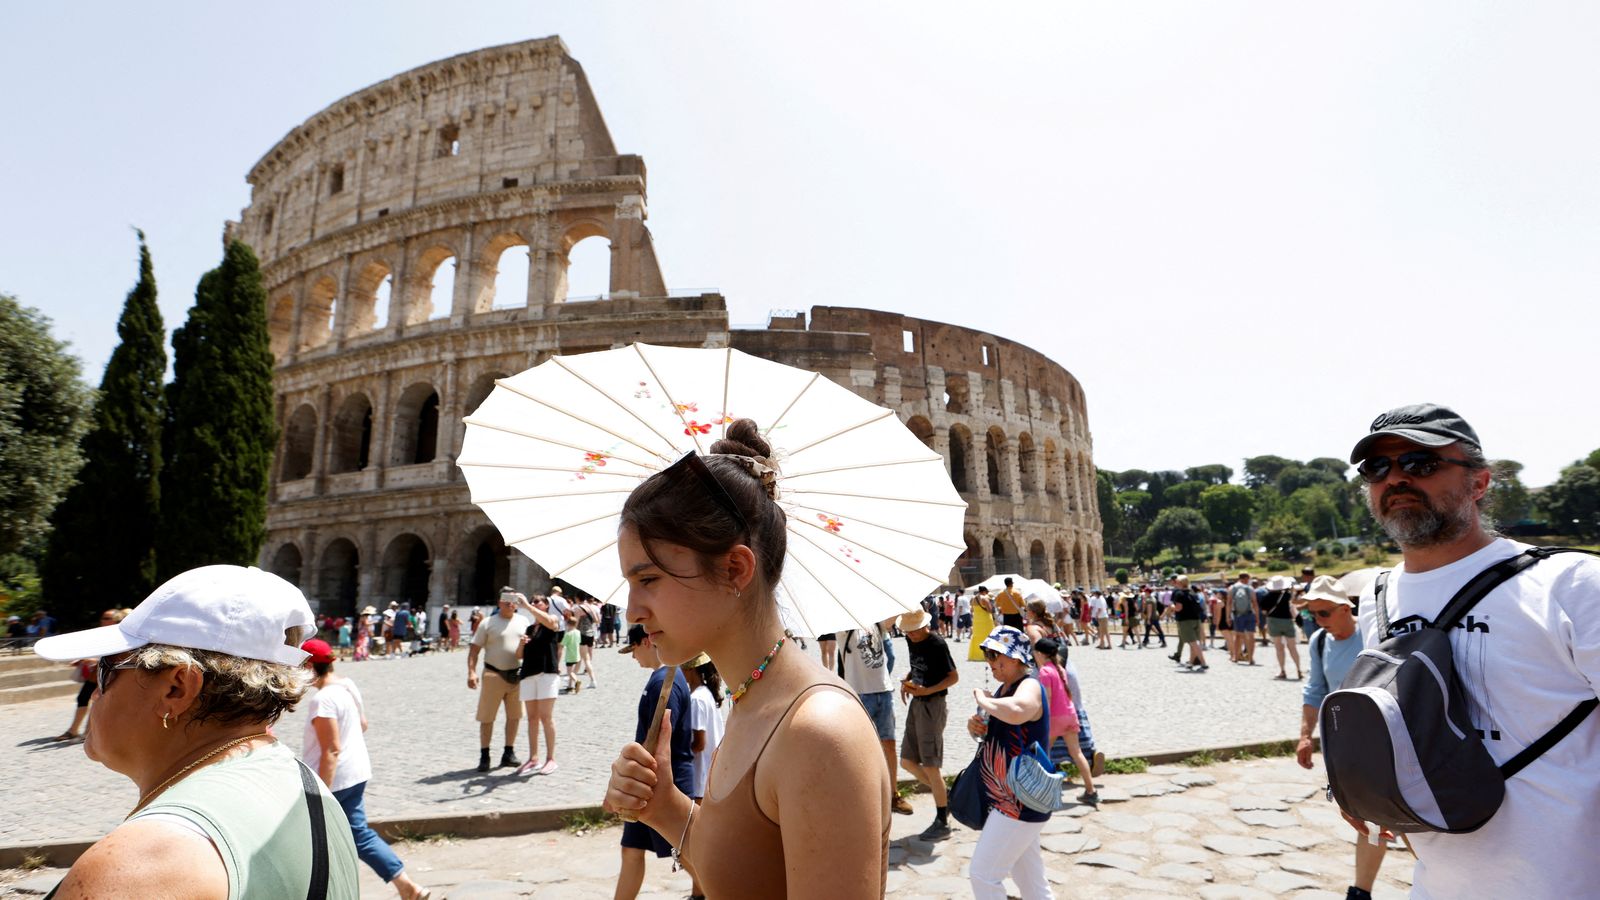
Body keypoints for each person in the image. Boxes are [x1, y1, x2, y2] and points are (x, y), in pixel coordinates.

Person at [602, 419, 891, 898]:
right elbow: (749, 874)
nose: (631, 611)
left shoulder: (817, 734)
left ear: (734, 568)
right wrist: (665, 808)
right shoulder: (751, 699)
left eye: (648, 579)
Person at [1345, 402, 1600, 898]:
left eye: (1421, 463)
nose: (1396, 477)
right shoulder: (1378, 599)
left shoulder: (1571, 586)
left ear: (1479, 483)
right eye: (1378, 467)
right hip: (1438, 884)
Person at [31, 565, 360, 897]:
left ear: (176, 687)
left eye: (106, 669)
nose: (96, 691)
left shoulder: (141, 865)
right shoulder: (308, 787)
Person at [298, 639, 430, 899]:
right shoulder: (347, 686)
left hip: (336, 779)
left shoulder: (323, 700)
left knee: (325, 837)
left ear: (311, 666)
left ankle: (404, 886)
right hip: (357, 772)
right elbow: (363, 724)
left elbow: (331, 749)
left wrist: (319, 792)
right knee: (355, 834)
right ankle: (405, 886)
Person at [1293, 576, 1388, 900]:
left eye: (1323, 613)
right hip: (1347, 746)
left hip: (1386, 742)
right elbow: (1315, 690)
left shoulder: (1374, 633)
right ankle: (1361, 892)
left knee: (1404, 817)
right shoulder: (1319, 642)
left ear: (1346, 608)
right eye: (1312, 615)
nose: (1317, 621)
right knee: (1368, 817)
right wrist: (1306, 736)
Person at [965, 626, 1053, 900]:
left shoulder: (1029, 685)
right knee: (1031, 881)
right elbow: (998, 730)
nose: (991, 663)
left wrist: (983, 700)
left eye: (996, 656)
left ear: (1016, 658)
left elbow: (1018, 711)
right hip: (1011, 794)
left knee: (983, 875)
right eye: (989, 656)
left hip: (1020, 797)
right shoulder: (1004, 689)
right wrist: (976, 726)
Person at [614, 625, 694, 900]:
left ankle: (716, 892)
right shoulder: (661, 679)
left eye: (633, 649)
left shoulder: (665, 682)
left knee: (689, 855)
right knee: (631, 850)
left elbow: (660, 742)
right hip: (644, 782)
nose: (633, 657)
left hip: (660, 784)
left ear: (646, 642)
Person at [836, 616, 913, 815]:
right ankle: (861, 797)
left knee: (889, 744)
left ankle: (893, 795)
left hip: (884, 691)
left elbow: (892, 619)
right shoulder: (845, 627)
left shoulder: (876, 622)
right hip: (860, 693)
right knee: (860, 748)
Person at [897, 608, 959, 840]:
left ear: (925, 626)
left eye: (914, 631)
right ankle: (947, 795)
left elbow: (953, 677)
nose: (910, 635)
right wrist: (909, 679)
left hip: (933, 705)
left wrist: (927, 689)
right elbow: (919, 666)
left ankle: (942, 821)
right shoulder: (911, 639)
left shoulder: (937, 644)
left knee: (931, 765)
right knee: (907, 761)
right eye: (908, 631)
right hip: (917, 703)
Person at [467, 589, 527, 773]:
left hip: (516, 675)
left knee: (515, 716)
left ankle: (508, 752)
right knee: (487, 717)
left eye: (513, 601)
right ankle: (484, 755)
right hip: (494, 674)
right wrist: (471, 672)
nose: (510, 604)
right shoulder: (487, 623)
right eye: (506, 601)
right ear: (499, 602)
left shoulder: (524, 621)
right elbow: (474, 650)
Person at [1032, 636, 1095, 804]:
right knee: (1077, 753)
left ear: (1039, 654)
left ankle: (1042, 791)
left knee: (1043, 754)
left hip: (1054, 717)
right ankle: (1091, 790)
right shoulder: (1059, 668)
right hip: (1070, 714)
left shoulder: (1045, 671)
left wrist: (1040, 717)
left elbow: (1048, 697)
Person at [513, 592, 566, 776]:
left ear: (546, 605)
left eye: (538, 602)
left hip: (546, 674)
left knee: (546, 717)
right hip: (529, 674)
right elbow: (519, 656)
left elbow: (552, 624)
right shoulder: (529, 629)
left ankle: (551, 758)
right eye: (533, 601)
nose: (535, 603)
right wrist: (521, 644)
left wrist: (527, 606)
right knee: (532, 718)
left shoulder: (552, 620)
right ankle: (533, 757)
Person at [55, 608, 128, 742]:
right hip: (97, 672)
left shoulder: (121, 635)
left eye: (107, 618)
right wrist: (83, 659)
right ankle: (74, 730)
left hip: (109, 673)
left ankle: (87, 732)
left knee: (96, 701)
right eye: (103, 618)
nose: (103, 621)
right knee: (83, 698)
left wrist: (94, 660)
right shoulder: (102, 634)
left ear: (116, 620)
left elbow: (119, 657)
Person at [1261, 575, 1303, 680]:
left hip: (1273, 622)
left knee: (1279, 648)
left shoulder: (1266, 597)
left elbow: (1264, 612)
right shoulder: (1288, 595)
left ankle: (1282, 670)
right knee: (1292, 647)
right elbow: (1292, 609)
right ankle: (1298, 669)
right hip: (1287, 622)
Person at [1169, 575, 1208, 671]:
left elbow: (1178, 608)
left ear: (1180, 583)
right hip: (1196, 619)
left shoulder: (1179, 594)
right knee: (1193, 643)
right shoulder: (1193, 593)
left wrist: (1172, 607)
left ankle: (1203, 662)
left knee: (1193, 643)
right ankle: (1191, 663)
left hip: (1185, 620)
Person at [1228, 572, 1260, 665]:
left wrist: (1228, 616)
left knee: (1238, 636)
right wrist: (1257, 617)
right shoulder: (1250, 588)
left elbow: (1229, 603)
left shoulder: (1232, 588)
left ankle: (1236, 657)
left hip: (1238, 614)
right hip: (1249, 614)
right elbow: (1255, 603)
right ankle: (1250, 658)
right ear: (1246, 578)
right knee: (1251, 636)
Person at [967, 586, 996, 661]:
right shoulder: (984, 598)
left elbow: (971, 610)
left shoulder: (973, 599)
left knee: (977, 636)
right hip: (986, 620)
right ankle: (987, 655)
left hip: (976, 620)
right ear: (984, 591)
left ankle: (976, 655)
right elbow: (990, 610)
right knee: (987, 636)